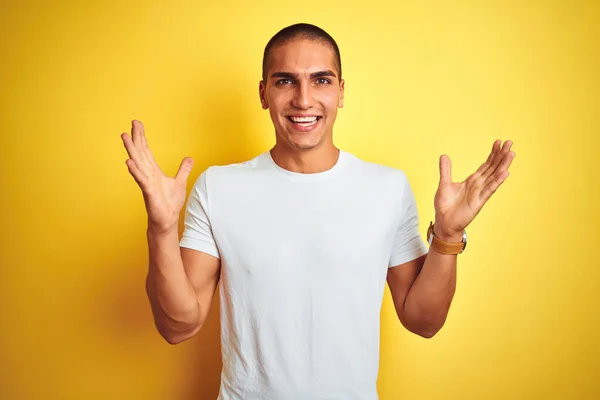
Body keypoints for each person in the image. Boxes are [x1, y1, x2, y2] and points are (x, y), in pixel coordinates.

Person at [121, 23, 515, 400]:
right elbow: (178, 325)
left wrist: (446, 237)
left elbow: (423, 321)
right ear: (263, 93)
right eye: (285, 80)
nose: (303, 99)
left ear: (341, 92)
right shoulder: (218, 186)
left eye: (321, 80)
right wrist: (160, 228)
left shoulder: (387, 188)